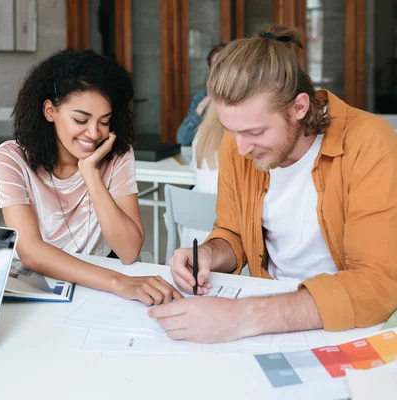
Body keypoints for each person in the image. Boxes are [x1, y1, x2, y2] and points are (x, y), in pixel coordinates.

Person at [150, 25, 397, 343]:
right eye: (230, 129)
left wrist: (241, 316)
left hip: (349, 325)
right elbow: (233, 233)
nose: (240, 148)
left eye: (254, 132)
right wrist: (210, 255)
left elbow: (376, 283)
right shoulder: (237, 144)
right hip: (273, 316)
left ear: (299, 107)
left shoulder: (370, 142)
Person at [0, 49, 182, 306]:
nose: (94, 133)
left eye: (104, 121)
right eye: (81, 119)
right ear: (50, 111)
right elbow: (31, 252)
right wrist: (119, 282)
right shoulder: (11, 159)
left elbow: (128, 251)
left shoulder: (118, 155)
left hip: (97, 285)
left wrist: (90, 174)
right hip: (39, 285)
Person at [174, 106, 226, 248]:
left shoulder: (201, 134)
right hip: (230, 239)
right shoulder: (245, 138)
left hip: (193, 238)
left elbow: (195, 168)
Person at [176, 43, 227, 146]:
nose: (220, 69)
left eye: (224, 64)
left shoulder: (242, 98)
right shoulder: (200, 99)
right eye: (216, 65)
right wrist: (203, 105)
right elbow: (182, 139)